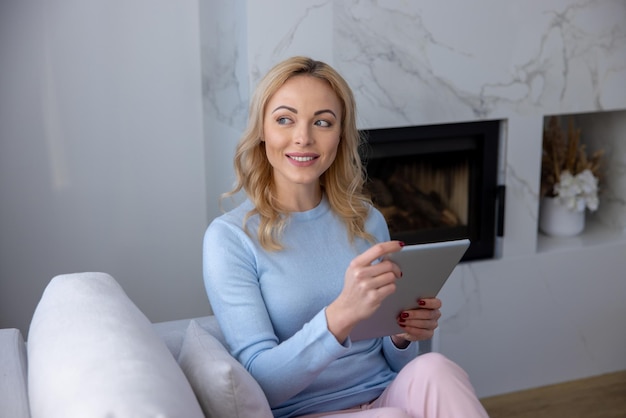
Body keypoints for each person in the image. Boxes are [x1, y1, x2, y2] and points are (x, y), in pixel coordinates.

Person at [203, 56, 488, 418]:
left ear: (340, 135)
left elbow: (396, 362)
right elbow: (263, 385)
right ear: (262, 130)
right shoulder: (230, 239)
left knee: (436, 369)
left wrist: (402, 334)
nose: (303, 138)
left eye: (322, 122)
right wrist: (341, 314)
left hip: (384, 393)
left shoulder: (366, 220)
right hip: (307, 411)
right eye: (285, 119)